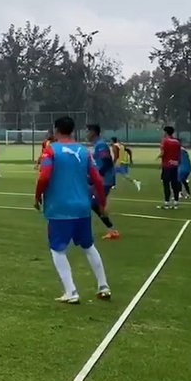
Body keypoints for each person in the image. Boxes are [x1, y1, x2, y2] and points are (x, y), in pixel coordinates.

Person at [34, 116, 112, 304]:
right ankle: (103, 285)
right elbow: (98, 180)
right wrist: (102, 202)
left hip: (60, 208)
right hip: (82, 207)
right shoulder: (84, 151)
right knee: (88, 246)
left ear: (56, 130)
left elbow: (44, 177)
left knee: (57, 250)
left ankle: (71, 291)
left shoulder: (51, 150)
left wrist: (37, 196)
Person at [86, 124, 119, 240]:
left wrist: (98, 175)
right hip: (99, 180)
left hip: (105, 180)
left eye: (88, 131)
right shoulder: (97, 145)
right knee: (88, 200)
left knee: (95, 204)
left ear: (93, 132)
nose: (87, 134)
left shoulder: (100, 145)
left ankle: (112, 230)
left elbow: (107, 162)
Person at [158, 126, 182, 209]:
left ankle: (167, 203)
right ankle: (176, 203)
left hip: (167, 165)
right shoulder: (177, 142)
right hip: (174, 165)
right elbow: (179, 154)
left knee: (166, 184)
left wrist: (158, 158)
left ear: (166, 132)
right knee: (174, 184)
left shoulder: (165, 141)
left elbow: (162, 153)